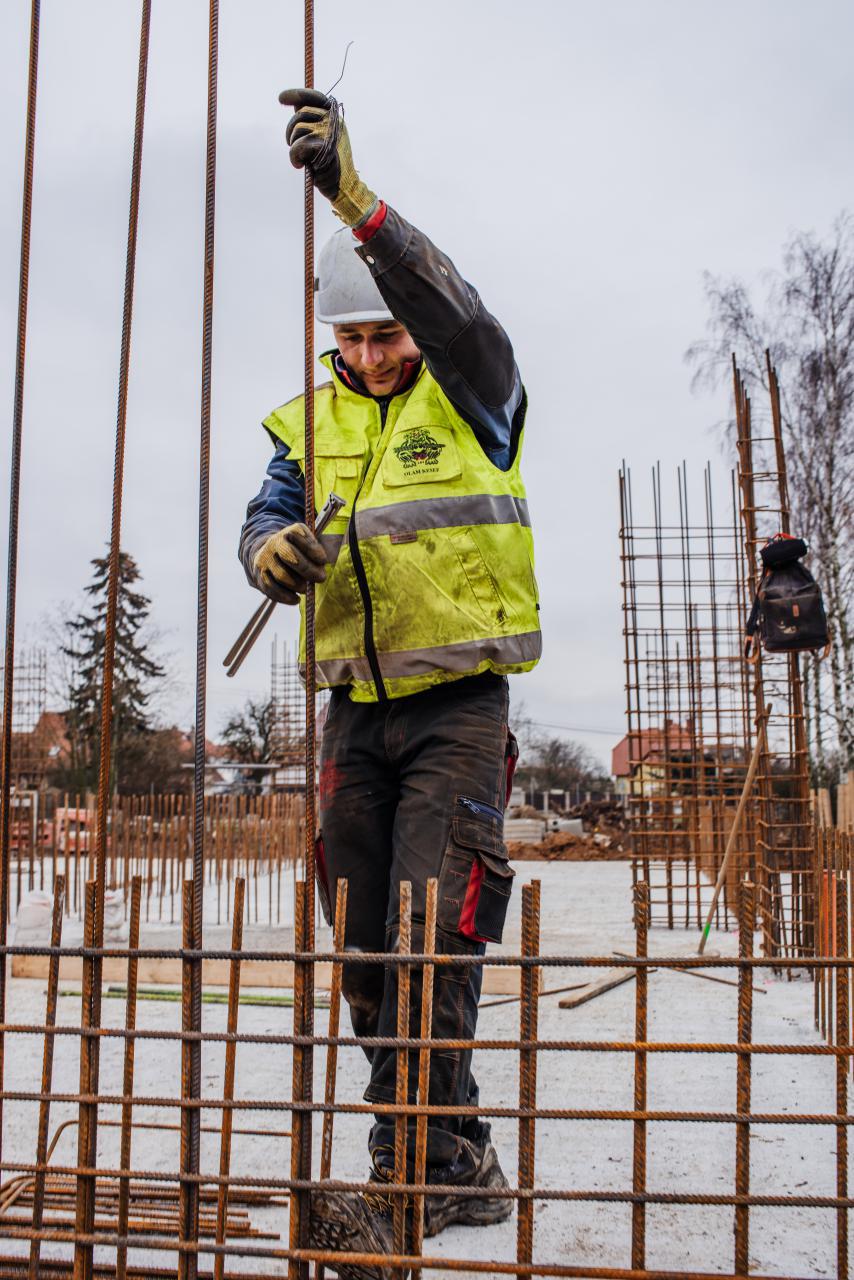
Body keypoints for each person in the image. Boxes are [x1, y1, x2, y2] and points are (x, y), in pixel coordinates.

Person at [239, 87, 541, 1279]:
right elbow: (263, 518)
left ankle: (401, 1171)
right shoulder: (305, 425)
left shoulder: (474, 394)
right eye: (352, 339)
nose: (371, 354)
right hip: (351, 714)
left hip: (460, 705)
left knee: (433, 933)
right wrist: (269, 549)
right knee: (367, 941)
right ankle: (453, 1148)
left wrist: (352, 203)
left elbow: (457, 314)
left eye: (384, 335)